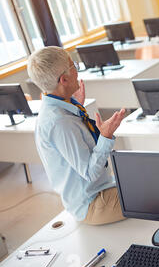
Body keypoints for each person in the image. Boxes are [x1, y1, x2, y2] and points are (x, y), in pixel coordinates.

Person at [27, 46, 127, 225]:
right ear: (64, 79)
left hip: (99, 190)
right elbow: (90, 172)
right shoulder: (61, 122)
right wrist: (105, 136)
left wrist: (76, 104)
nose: (77, 70)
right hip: (94, 204)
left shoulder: (61, 107)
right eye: (73, 66)